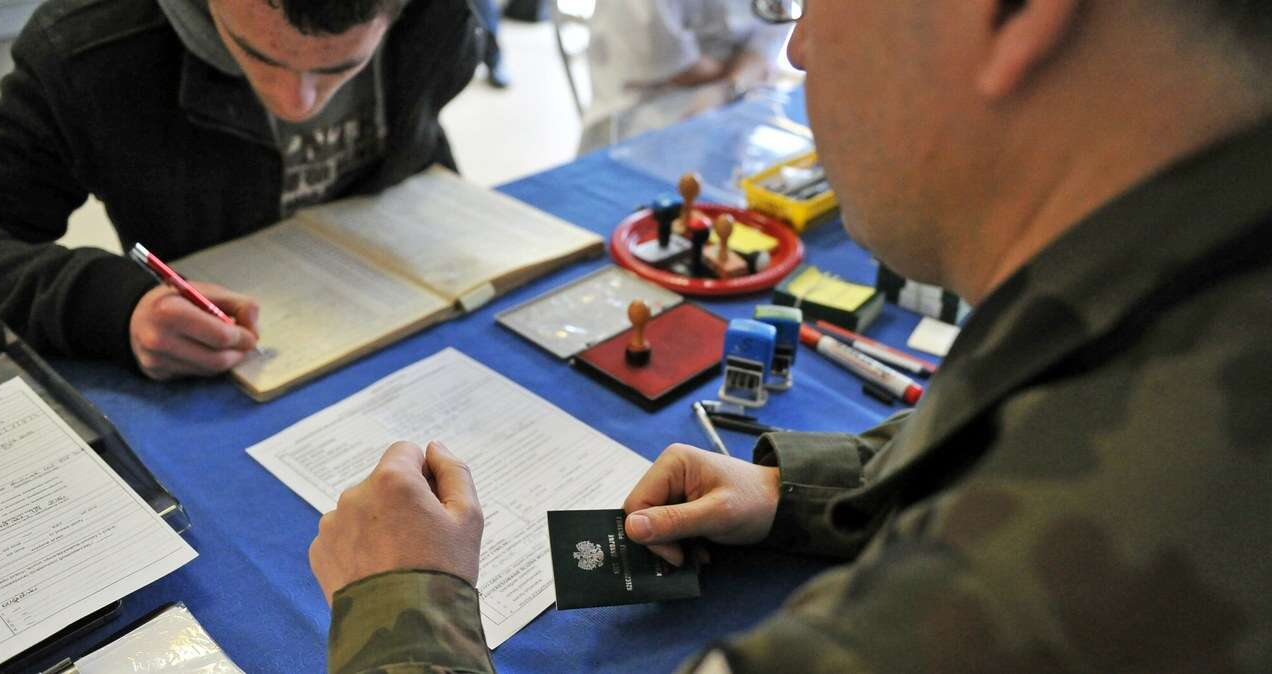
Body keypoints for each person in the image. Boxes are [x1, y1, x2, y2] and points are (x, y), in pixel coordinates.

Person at [311, 0, 1272, 672]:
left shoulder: (1021, 596)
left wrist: (401, 606)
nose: (801, 47)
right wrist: (806, 491)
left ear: (1010, 11)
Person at [0, 0, 480, 380]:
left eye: (340, 68)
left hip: (401, 316)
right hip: (226, 369)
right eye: (254, 53)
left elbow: (420, 134)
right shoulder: (85, 50)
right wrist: (117, 308)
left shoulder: (441, 18)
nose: (296, 104)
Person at [579, 0, 791, 152]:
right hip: (644, 109)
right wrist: (733, 77)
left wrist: (729, 86)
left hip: (733, 95)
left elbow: (768, 37)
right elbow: (674, 65)